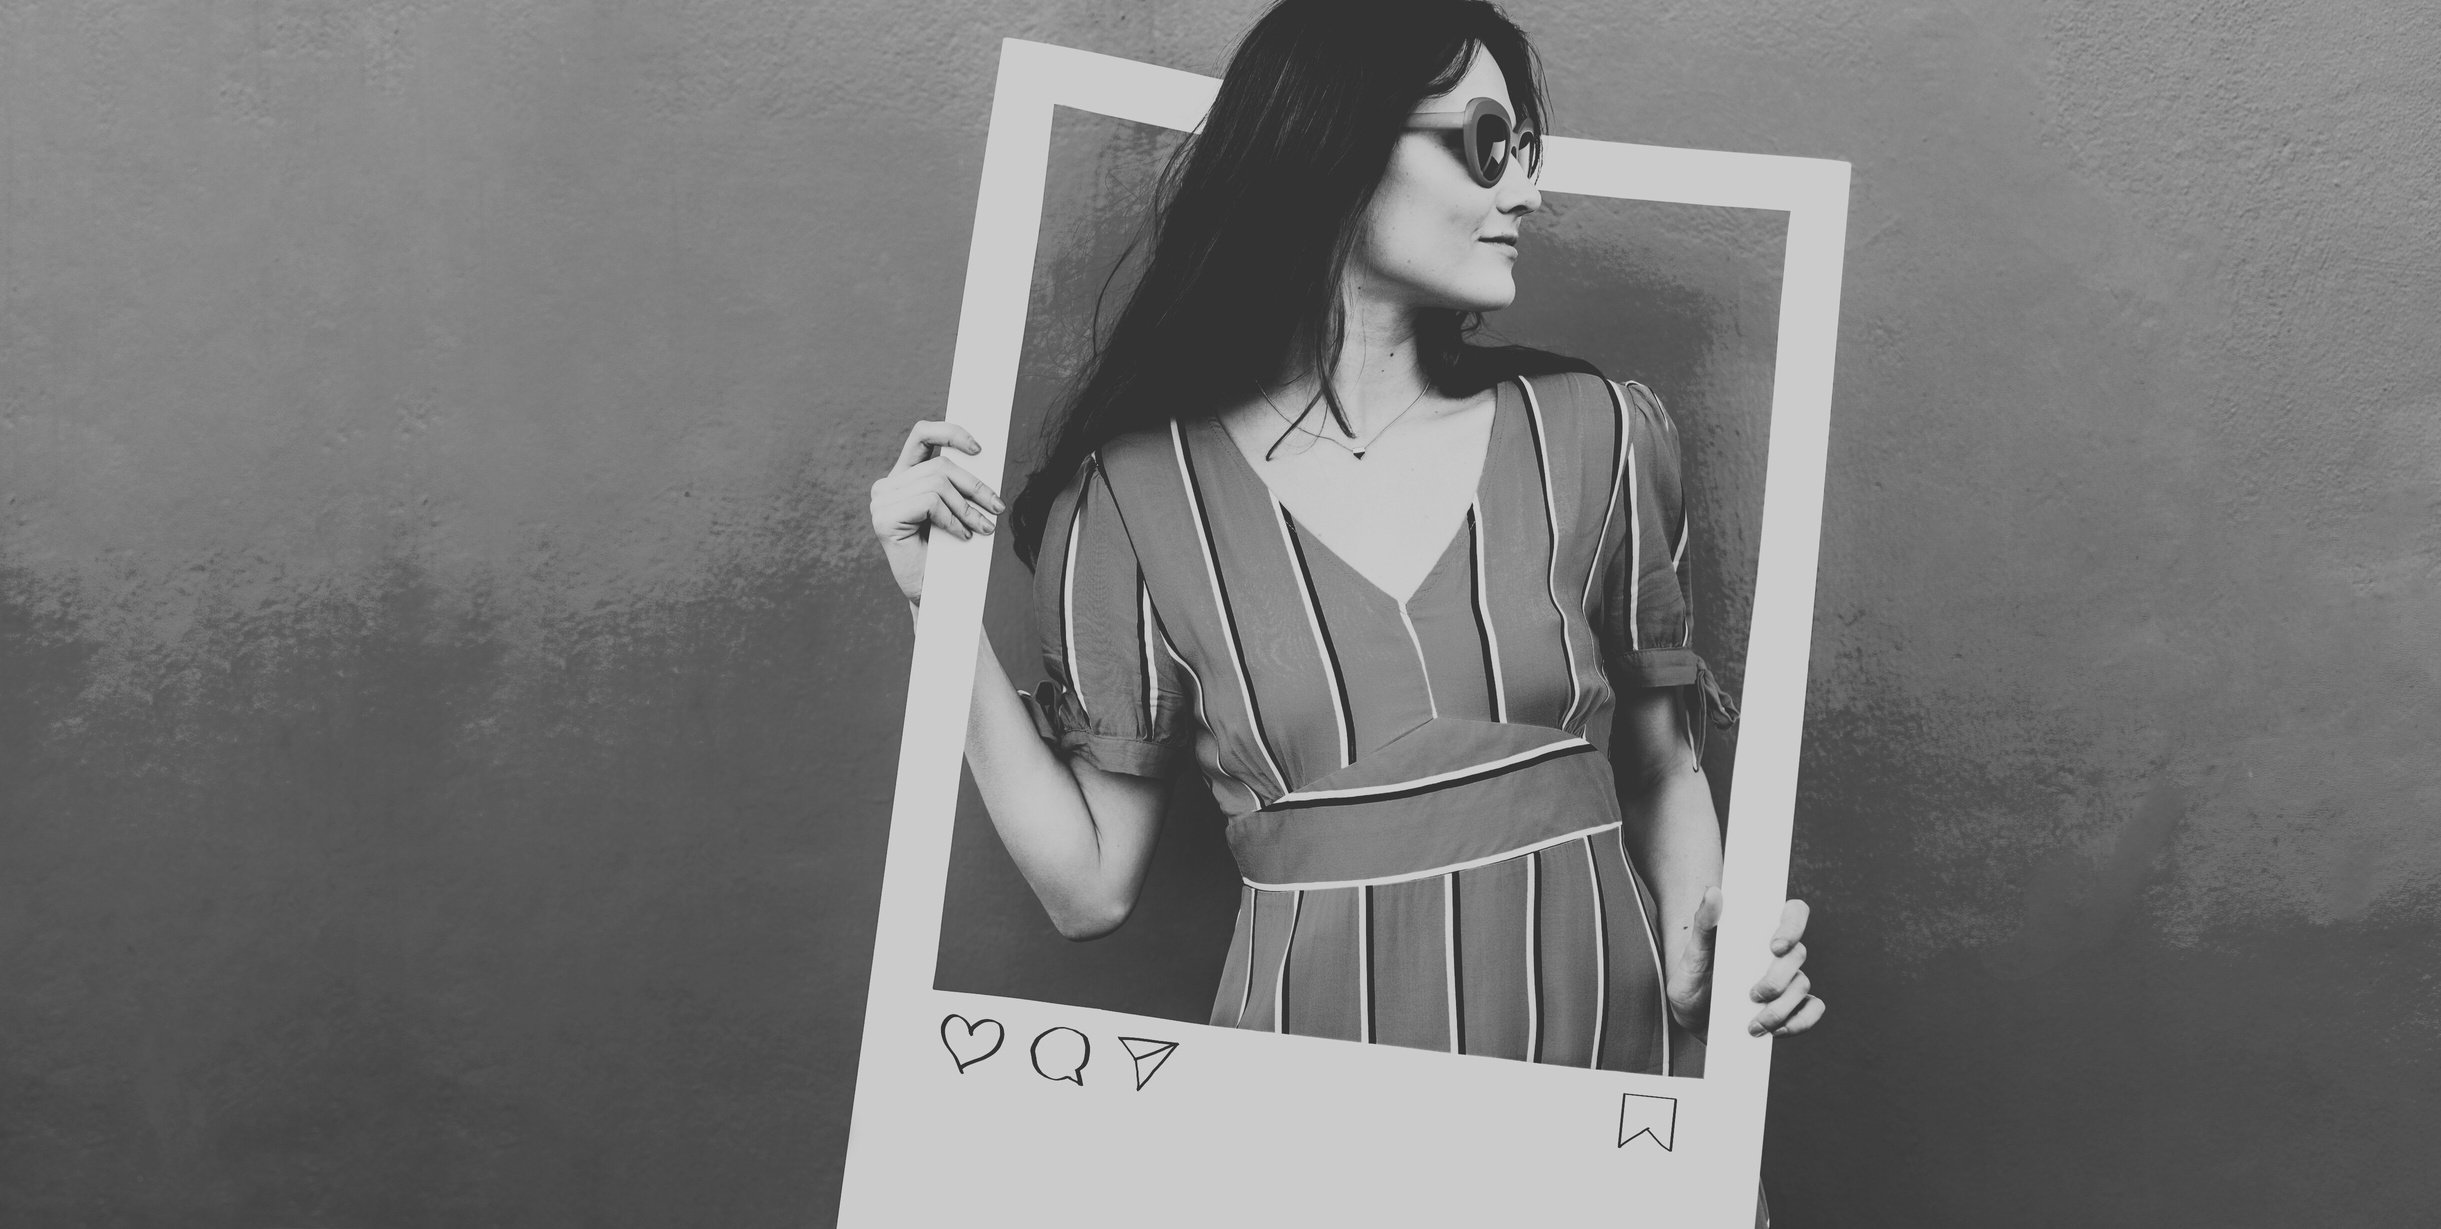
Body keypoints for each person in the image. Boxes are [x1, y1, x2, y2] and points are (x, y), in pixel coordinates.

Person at [872, 0, 1818, 1103]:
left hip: (1609, 1099)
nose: (1526, 191)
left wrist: (1714, 956)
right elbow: (1086, 890)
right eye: (1487, 144)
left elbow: (1660, 769)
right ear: (1337, 143)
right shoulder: (1132, 497)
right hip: (1311, 1123)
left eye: (1526, 150)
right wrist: (935, 603)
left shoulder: (1598, 433)